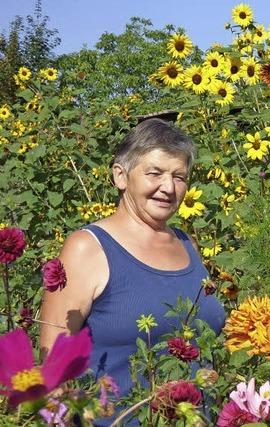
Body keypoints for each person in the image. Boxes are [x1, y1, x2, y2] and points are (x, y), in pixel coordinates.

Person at [40, 118, 226, 424]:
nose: (168, 187)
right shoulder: (87, 248)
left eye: (180, 177)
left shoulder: (186, 243)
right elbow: (53, 370)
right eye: (155, 173)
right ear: (121, 176)